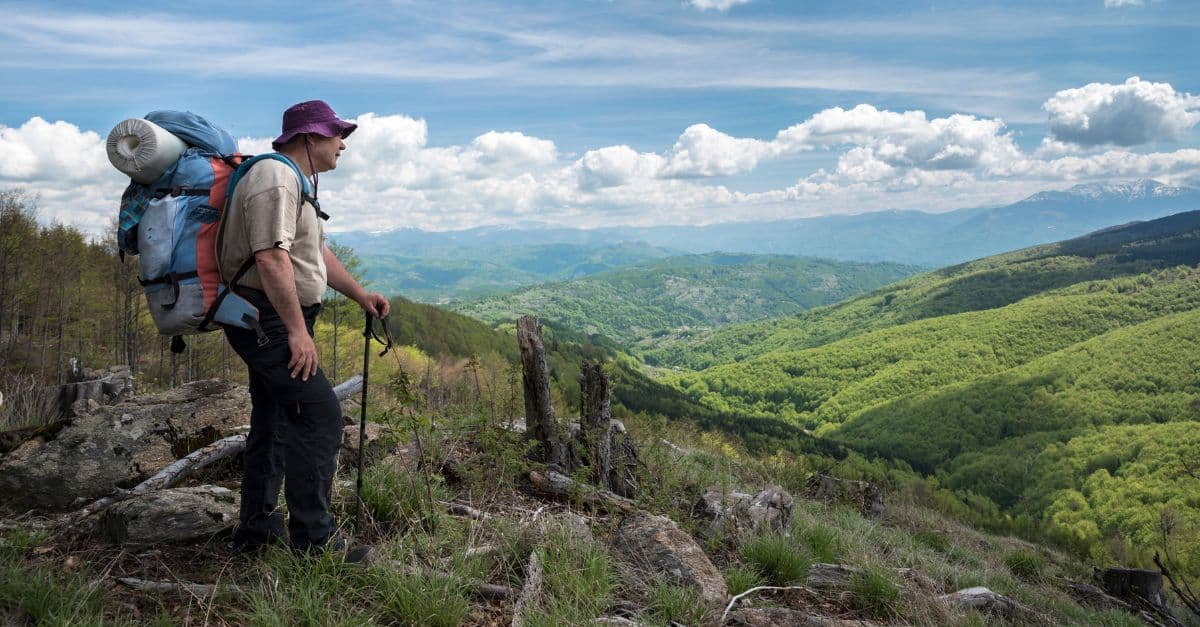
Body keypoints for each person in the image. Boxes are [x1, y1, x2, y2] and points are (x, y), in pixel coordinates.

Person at [218, 100, 389, 554]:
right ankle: (315, 543)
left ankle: (256, 534)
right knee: (319, 415)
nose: (342, 145)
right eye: (337, 135)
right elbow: (270, 258)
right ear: (310, 136)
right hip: (269, 319)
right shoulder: (275, 177)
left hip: (271, 316)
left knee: (274, 420)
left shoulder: (294, 181)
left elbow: (313, 256)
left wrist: (360, 295)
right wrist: (297, 331)